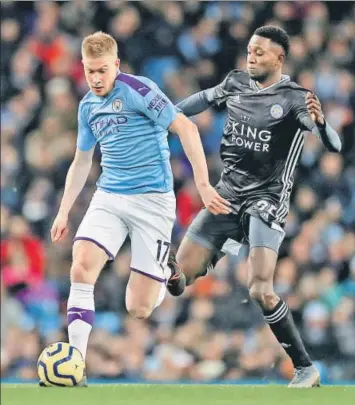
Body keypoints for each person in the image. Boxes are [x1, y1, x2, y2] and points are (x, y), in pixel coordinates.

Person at [48, 31, 230, 386]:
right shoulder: (88, 106)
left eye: (102, 70)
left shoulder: (138, 90)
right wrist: (63, 211)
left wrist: (204, 184)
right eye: (89, 72)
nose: (96, 79)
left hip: (152, 202)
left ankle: (167, 270)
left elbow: (187, 128)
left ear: (116, 65)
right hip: (110, 197)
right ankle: (76, 369)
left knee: (139, 308)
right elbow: (82, 161)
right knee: (81, 266)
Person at [167, 26, 342, 388]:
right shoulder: (236, 82)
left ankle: (306, 369)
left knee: (260, 289)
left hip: (266, 201)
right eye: (250, 50)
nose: (252, 56)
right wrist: (165, 118)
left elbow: (334, 146)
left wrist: (323, 124)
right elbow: (202, 98)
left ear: (279, 59)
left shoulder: (296, 98)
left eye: (261, 52)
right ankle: (181, 269)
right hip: (226, 196)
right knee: (177, 282)